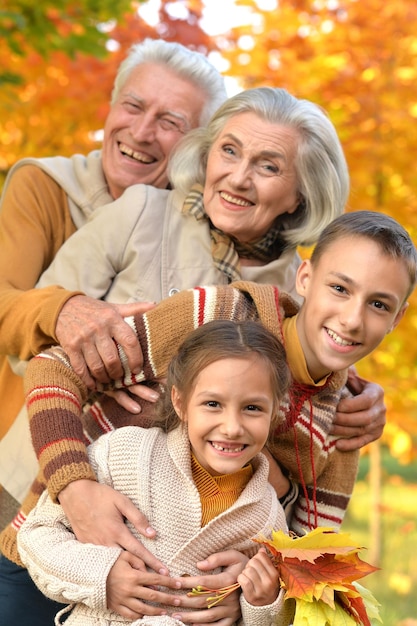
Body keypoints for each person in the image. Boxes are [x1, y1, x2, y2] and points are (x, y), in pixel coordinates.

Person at [0, 85, 383, 623]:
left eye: (268, 166)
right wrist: (76, 485)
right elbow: (47, 355)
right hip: (57, 502)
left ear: (300, 194)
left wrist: (253, 583)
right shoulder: (147, 219)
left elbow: (300, 520)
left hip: (173, 574)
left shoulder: (307, 308)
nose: (238, 176)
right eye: (229, 151)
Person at [18, 211, 416, 624]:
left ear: (397, 319)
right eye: (339, 288)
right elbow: (54, 367)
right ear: (304, 278)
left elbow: (303, 557)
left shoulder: (347, 417)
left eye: (378, 304)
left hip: (178, 605)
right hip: (60, 544)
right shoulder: (216, 317)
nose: (352, 319)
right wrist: (76, 488)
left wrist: (243, 594)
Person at [0, 37, 234, 626]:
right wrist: (64, 311)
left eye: (170, 121)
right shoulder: (45, 188)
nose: (142, 130)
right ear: (109, 108)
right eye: (132, 106)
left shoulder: (199, 230)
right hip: (19, 466)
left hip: (130, 499)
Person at [18, 320, 294, 626]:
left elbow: (263, 614)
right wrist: (103, 577)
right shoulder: (125, 454)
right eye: (213, 404)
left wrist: (259, 605)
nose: (232, 428)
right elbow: (36, 536)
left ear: (274, 410)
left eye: (252, 408)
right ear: (181, 402)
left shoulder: (267, 517)